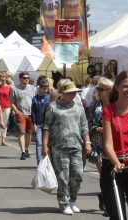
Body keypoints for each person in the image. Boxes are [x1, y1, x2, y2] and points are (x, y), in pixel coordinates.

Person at [42, 79, 92, 215]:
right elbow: (47, 127)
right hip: (59, 146)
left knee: (77, 174)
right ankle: (64, 203)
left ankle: (73, 201)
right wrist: (44, 145)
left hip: (77, 145)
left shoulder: (78, 106)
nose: (73, 95)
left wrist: (87, 142)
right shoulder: (53, 107)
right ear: (62, 93)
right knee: (63, 176)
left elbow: (84, 125)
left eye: (75, 93)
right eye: (70, 93)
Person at [101, 71, 128, 220]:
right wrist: (117, 163)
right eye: (125, 86)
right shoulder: (108, 111)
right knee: (118, 215)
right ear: (117, 87)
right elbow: (108, 144)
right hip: (112, 168)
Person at [88, 77, 113, 215]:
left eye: (101, 89)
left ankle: (106, 198)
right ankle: (108, 202)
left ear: (109, 91)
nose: (98, 91)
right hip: (98, 144)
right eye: (97, 88)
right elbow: (89, 123)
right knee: (104, 175)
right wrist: (98, 129)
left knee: (111, 175)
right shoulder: (94, 105)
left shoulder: (117, 105)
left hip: (114, 145)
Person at [10, 71, 35, 160]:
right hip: (20, 113)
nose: (26, 79)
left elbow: (35, 101)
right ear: (20, 79)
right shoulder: (14, 88)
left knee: (29, 133)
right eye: (24, 78)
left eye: (27, 78)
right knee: (21, 132)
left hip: (31, 114)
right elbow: (11, 102)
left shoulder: (32, 88)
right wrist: (16, 111)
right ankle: (23, 151)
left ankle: (26, 148)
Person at [31, 78, 50, 165]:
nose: (46, 90)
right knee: (39, 142)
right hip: (39, 123)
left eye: (47, 88)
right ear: (40, 88)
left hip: (48, 124)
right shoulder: (35, 99)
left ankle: (47, 160)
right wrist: (34, 123)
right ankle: (39, 161)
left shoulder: (49, 98)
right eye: (44, 88)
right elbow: (33, 112)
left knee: (47, 143)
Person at [0, 72, 12, 146]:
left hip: (7, 106)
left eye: (4, 77)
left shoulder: (9, 87)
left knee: (5, 123)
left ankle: (3, 139)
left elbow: (11, 98)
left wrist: (12, 108)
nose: (2, 78)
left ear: (6, 78)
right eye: (1, 77)